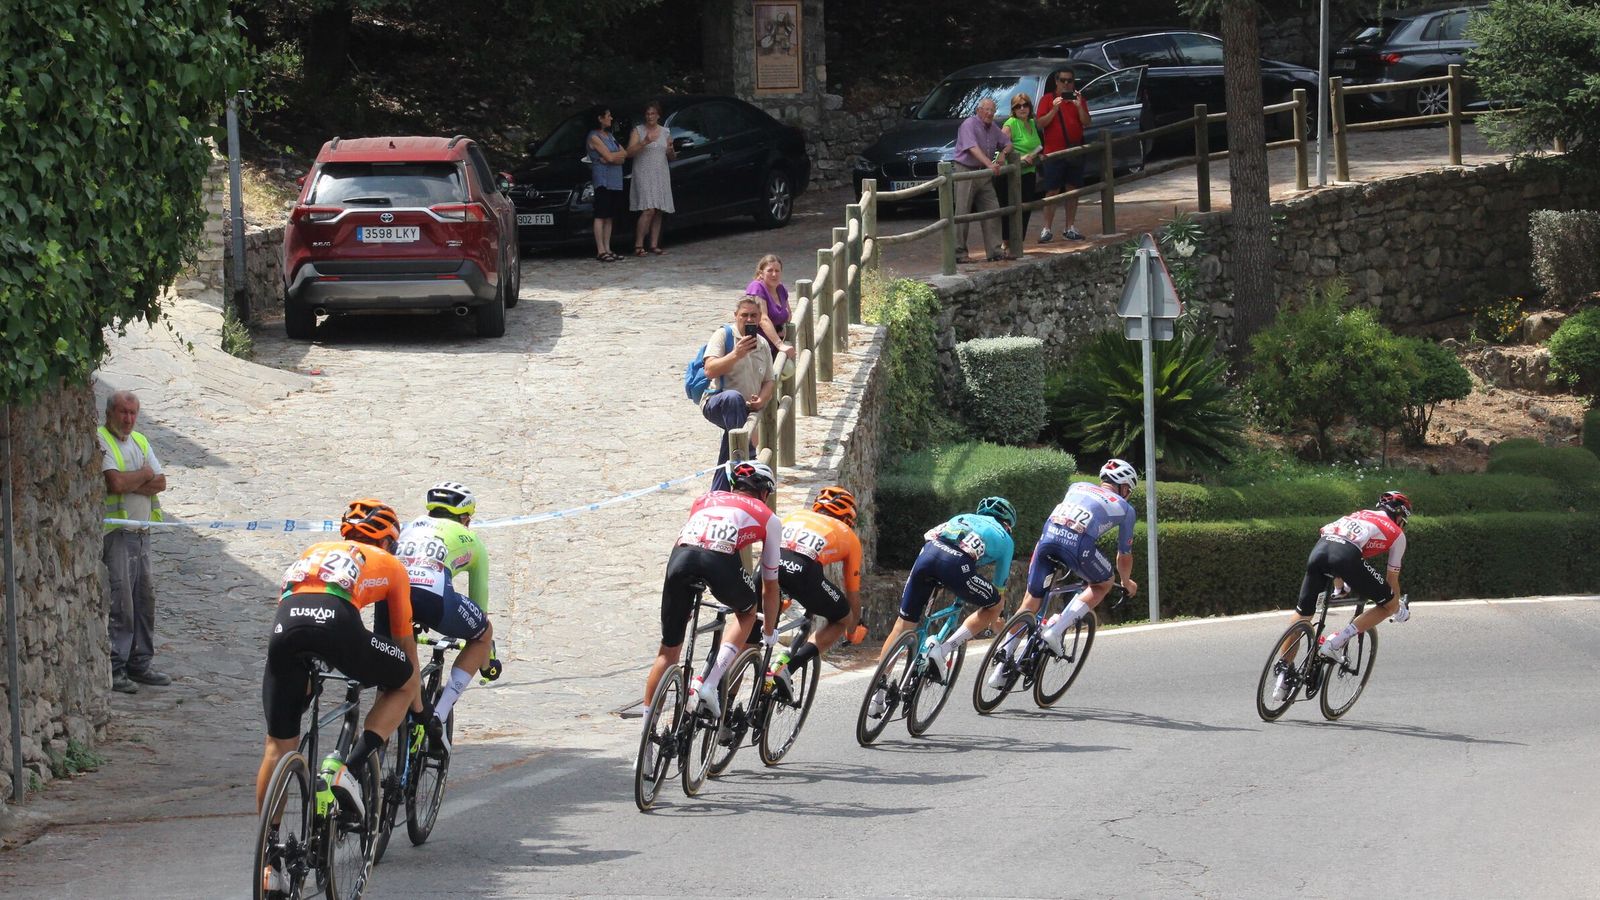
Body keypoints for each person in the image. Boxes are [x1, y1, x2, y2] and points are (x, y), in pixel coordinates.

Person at [255, 500, 422, 823]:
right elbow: (404, 641)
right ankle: (350, 771)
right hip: (337, 623)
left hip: (286, 623)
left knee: (277, 745)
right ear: (388, 541)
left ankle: (269, 858)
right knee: (406, 680)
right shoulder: (390, 563)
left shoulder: (315, 549)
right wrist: (420, 710)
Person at [643, 460, 781, 720]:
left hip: (680, 559)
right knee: (747, 612)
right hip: (717, 560)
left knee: (668, 651)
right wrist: (770, 631)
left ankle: (645, 742)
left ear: (733, 486)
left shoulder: (704, 498)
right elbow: (770, 584)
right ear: (765, 493)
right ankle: (710, 684)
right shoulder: (768, 517)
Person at [988, 460, 1141, 687]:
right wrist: (1126, 581)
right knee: (1103, 583)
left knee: (1030, 602)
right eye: (1129, 490)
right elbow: (1124, 554)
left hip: (1046, 541)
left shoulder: (1076, 486)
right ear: (1124, 488)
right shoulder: (1126, 509)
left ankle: (1000, 667)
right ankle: (1056, 631)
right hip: (1078, 546)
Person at [866, 496, 1018, 717]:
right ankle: (943, 650)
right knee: (995, 604)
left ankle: (876, 696)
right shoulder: (1005, 538)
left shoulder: (963, 517)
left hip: (928, 554)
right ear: (1008, 523)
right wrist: (997, 616)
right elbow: (1000, 584)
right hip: (956, 565)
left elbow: (935, 538)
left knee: (903, 625)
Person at [1272, 492, 1413, 701]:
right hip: (1346, 557)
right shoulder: (1397, 534)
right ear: (1400, 516)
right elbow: (1392, 579)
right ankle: (1336, 642)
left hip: (1319, 550)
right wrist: (1398, 609)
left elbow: (1335, 545)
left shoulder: (1359, 514)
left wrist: (1340, 586)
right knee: (1388, 605)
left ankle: (1283, 676)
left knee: (1303, 614)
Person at [394, 482, 497, 750]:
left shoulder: (410, 527)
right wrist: (487, 664)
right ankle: (440, 712)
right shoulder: (472, 539)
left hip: (393, 597)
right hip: (432, 597)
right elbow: (479, 605)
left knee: (397, 666)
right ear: (465, 518)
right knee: (483, 634)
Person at [97, 390, 171, 694]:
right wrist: (143, 474)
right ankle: (116, 667)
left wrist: (133, 481)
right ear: (110, 413)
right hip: (117, 533)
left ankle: (141, 663)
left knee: (144, 600)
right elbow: (114, 483)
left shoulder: (140, 441)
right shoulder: (103, 438)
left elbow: (162, 482)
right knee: (122, 602)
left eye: (132, 413)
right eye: (123, 412)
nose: (128, 419)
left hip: (142, 532)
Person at [768, 486, 865, 696]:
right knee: (842, 617)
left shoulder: (795, 515)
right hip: (804, 573)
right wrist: (852, 630)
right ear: (848, 518)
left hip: (769, 566)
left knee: (753, 620)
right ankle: (787, 670)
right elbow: (852, 593)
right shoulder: (848, 535)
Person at [701, 295, 775, 492]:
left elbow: (770, 380)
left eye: (753, 315)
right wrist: (736, 354)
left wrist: (761, 399)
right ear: (736, 316)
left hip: (744, 410)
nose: (749, 319)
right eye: (744, 315)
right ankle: (749, 459)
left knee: (731, 442)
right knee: (734, 399)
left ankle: (719, 491)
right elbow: (709, 369)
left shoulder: (763, 344)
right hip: (718, 401)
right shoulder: (723, 336)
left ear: (760, 318)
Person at [950, 97, 1013, 263]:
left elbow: (1007, 143)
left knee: (992, 209)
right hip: (966, 171)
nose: (990, 113)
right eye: (987, 110)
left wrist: (1003, 154)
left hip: (983, 173)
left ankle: (995, 251)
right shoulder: (968, 124)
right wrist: (990, 164)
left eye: (992, 110)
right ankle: (959, 253)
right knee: (962, 212)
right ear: (979, 110)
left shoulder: (993, 128)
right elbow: (972, 148)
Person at [1037, 68, 1091, 243]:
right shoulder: (1047, 99)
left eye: (1070, 80)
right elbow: (1040, 123)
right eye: (1063, 80)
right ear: (1056, 81)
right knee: (1052, 190)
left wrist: (1079, 105)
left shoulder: (1078, 100)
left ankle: (1070, 227)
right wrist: (1054, 109)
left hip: (1074, 150)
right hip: (1053, 153)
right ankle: (1046, 229)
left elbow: (1087, 123)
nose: (1066, 84)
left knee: (1072, 189)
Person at [997, 91, 1044, 259]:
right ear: (1013, 109)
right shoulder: (1011, 124)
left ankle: (1018, 243)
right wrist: (1021, 157)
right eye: (1018, 106)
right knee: (1009, 209)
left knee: (1026, 208)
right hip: (1010, 173)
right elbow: (1002, 147)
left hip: (1028, 172)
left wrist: (1037, 154)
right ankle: (1007, 244)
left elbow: (1037, 145)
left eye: (1025, 105)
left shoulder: (1032, 122)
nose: (1022, 109)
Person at [626, 100, 676, 256]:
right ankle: (638, 245)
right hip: (644, 172)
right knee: (649, 209)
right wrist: (644, 142)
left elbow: (672, 157)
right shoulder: (638, 131)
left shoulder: (665, 132)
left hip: (660, 172)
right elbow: (629, 152)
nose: (650, 116)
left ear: (658, 115)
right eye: (647, 114)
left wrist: (671, 150)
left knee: (658, 209)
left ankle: (654, 244)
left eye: (653, 113)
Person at [586, 105, 628, 262]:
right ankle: (600, 249)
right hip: (603, 179)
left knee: (609, 215)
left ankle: (608, 247)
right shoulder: (594, 137)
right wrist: (612, 157)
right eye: (608, 115)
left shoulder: (610, 136)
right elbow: (609, 158)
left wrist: (612, 157)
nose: (611, 118)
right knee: (601, 214)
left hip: (614, 179)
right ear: (600, 118)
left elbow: (624, 154)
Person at [746, 254, 795, 366]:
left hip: (772, 343)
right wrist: (780, 344)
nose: (774, 274)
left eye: (777, 271)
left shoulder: (780, 288)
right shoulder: (756, 287)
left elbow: (788, 314)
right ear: (761, 273)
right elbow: (763, 319)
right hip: (756, 346)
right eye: (770, 271)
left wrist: (782, 329)